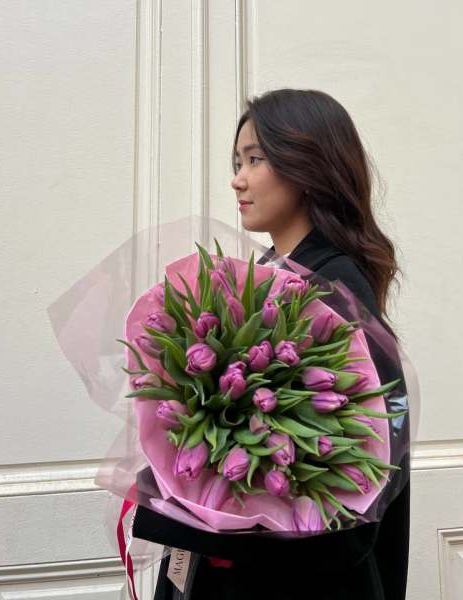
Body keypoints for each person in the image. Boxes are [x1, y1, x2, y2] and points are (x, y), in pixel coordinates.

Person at [132, 88, 410, 600]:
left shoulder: (333, 294)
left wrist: (195, 505)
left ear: (308, 166)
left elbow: (346, 503)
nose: (237, 179)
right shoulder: (268, 279)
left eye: (255, 160)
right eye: (237, 162)